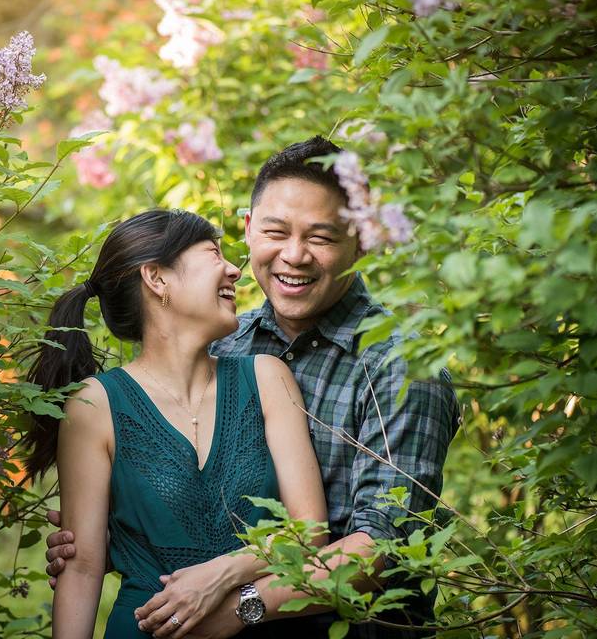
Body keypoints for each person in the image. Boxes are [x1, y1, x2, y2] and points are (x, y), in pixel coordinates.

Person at [44, 137, 461, 638]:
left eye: (322, 238)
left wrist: (238, 605)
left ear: (363, 239)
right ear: (249, 229)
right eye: (275, 231)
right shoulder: (222, 346)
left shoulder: (400, 366)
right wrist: (110, 532)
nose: (294, 255)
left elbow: (380, 547)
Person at [25, 208, 328, 638]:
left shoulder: (267, 377)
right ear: (157, 278)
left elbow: (309, 533)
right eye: (213, 254)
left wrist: (224, 573)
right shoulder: (95, 405)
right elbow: (83, 567)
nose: (234, 270)